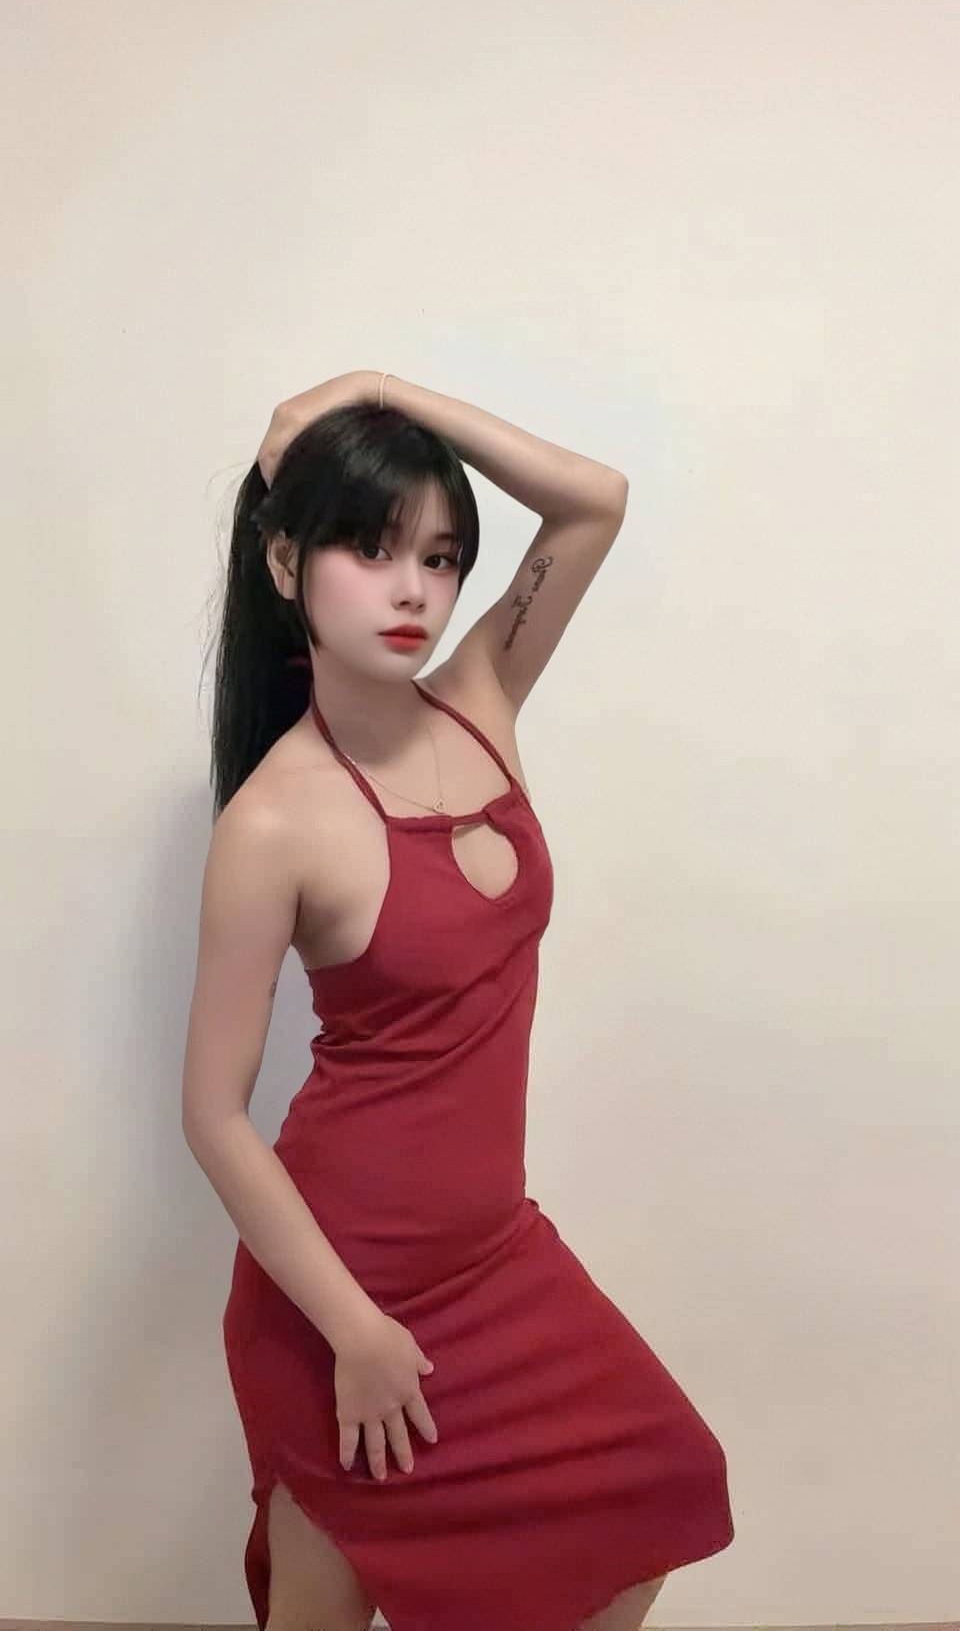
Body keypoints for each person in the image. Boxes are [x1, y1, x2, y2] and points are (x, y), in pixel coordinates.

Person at [182, 370, 734, 1631]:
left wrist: (382, 392)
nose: (413, 590)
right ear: (284, 560)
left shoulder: (483, 697)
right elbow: (212, 1114)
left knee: (657, 1484)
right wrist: (355, 1330)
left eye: (438, 556)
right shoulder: (273, 821)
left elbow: (594, 502)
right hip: (337, 1290)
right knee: (322, 1613)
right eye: (371, 549)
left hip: (494, 1257)